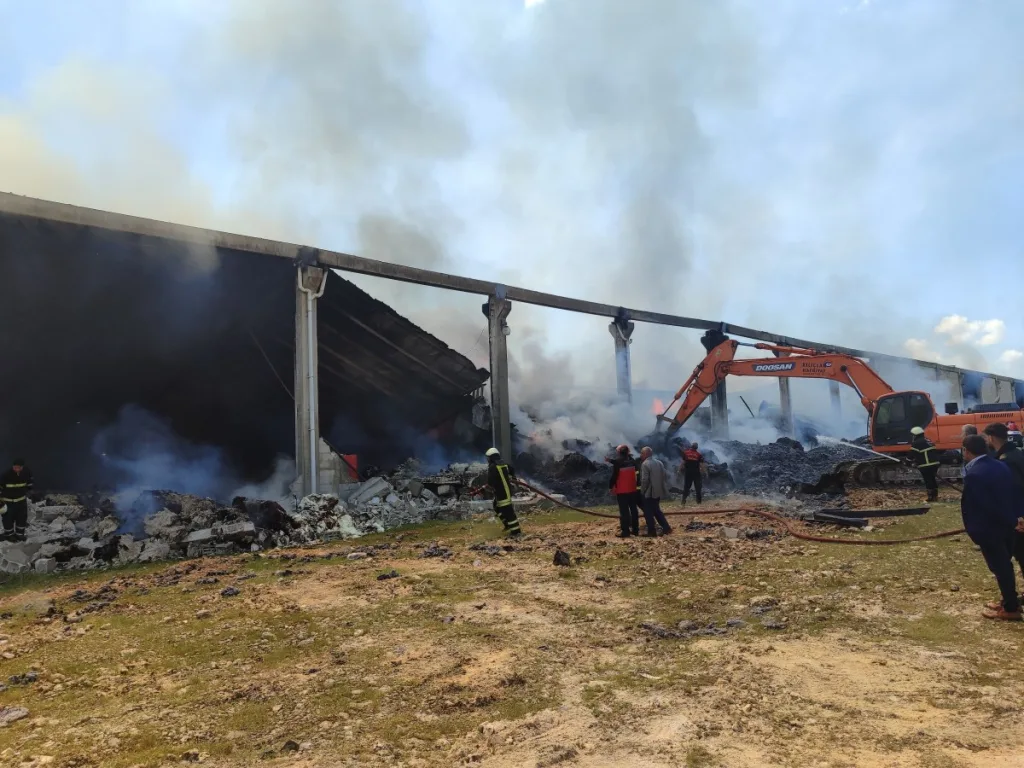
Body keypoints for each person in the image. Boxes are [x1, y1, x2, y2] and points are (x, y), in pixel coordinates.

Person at [960, 435, 1021, 620]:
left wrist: (973, 529)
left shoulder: (975, 474)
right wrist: (1014, 519)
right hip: (1007, 526)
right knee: (1004, 565)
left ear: (966, 451)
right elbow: (1012, 493)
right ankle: (1008, 601)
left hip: (989, 528)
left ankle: (1011, 608)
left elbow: (982, 505)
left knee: (1000, 567)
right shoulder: (1000, 465)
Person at [983, 422, 1024, 586]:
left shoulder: (1005, 460)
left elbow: (1013, 490)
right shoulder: (1017, 453)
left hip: (1017, 516)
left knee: (1020, 553)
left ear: (991, 437)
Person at [485, 448, 522, 539]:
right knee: (496, 506)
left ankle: (516, 532)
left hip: (501, 493)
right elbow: (512, 469)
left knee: (508, 511)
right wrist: (512, 476)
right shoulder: (504, 464)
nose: (487, 460)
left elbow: (490, 482)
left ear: (491, 458)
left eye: (488, 458)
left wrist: (488, 488)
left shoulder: (493, 467)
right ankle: (507, 524)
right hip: (506, 491)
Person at [639, 447, 672, 537]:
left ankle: (651, 531)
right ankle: (666, 528)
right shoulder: (659, 462)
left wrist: (642, 491)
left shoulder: (645, 464)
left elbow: (645, 480)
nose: (640, 455)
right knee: (656, 510)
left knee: (648, 512)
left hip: (649, 492)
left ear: (646, 454)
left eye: (642, 453)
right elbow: (665, 475)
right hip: (658, 491)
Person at [609, 444, 640, 538]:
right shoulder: (633, 461)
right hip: (632, 489)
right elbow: (638, 474)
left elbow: (614, 476)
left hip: (622, 490)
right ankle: (635, 530)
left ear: (619, 452)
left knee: (624, 512)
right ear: (628, 452)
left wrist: (610, 486)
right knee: (634, 510)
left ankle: (625, 531)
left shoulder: (618, 462)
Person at [1, 459, 32, 542]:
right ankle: (9, 535)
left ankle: (19, 535)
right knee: (7, 519)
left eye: (19, 467)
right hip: (8, 502)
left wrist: (28, 491)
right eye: (15, 467)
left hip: (21, 502)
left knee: (21, 519)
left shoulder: (25, 473)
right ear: (13, 466)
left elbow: (29, 484)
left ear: (22, 467)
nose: (17, 469)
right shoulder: (6, 475)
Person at [909, 427, 940, 502]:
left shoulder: (916, 443)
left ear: (915, 435)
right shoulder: (928, 440)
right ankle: (935, 496)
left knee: (928, 480)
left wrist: (907, 461)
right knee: (933, 479)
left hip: (926, 465)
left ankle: (930, 497)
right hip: (935, 463)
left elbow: (911, 455)